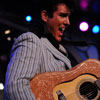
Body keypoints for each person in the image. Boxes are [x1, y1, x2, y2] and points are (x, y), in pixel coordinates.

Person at [4, 0, 73, 100]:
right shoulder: (31, 40)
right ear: (45, 16)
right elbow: (15, 87)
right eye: (62, 15)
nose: (68, 22)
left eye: (68, 17)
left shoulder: (61, 50)